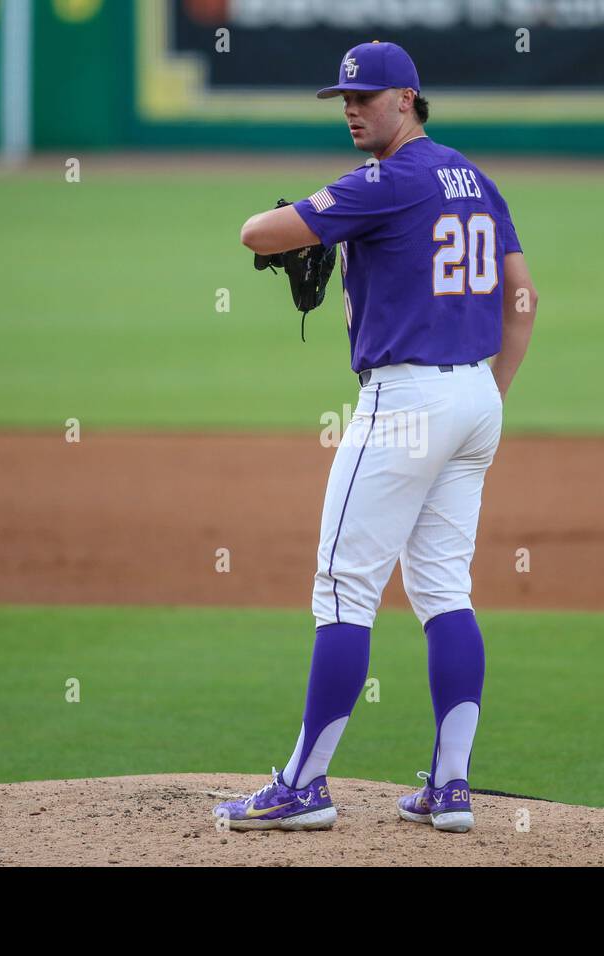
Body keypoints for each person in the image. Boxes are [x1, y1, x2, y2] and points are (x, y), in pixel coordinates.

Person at [216, 41, 537, 834]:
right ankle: (452, 787)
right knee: (445, 592)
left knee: (341, 589)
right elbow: (524, 298)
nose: (353, 109)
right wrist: (482, 397)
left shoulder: (385, 181)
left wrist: (309, 225)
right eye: (344, 99)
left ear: (408, 100)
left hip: (404, 402)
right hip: (471, 399)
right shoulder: (475, 177)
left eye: (366, 97)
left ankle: (303, 785)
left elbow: (257, 233)